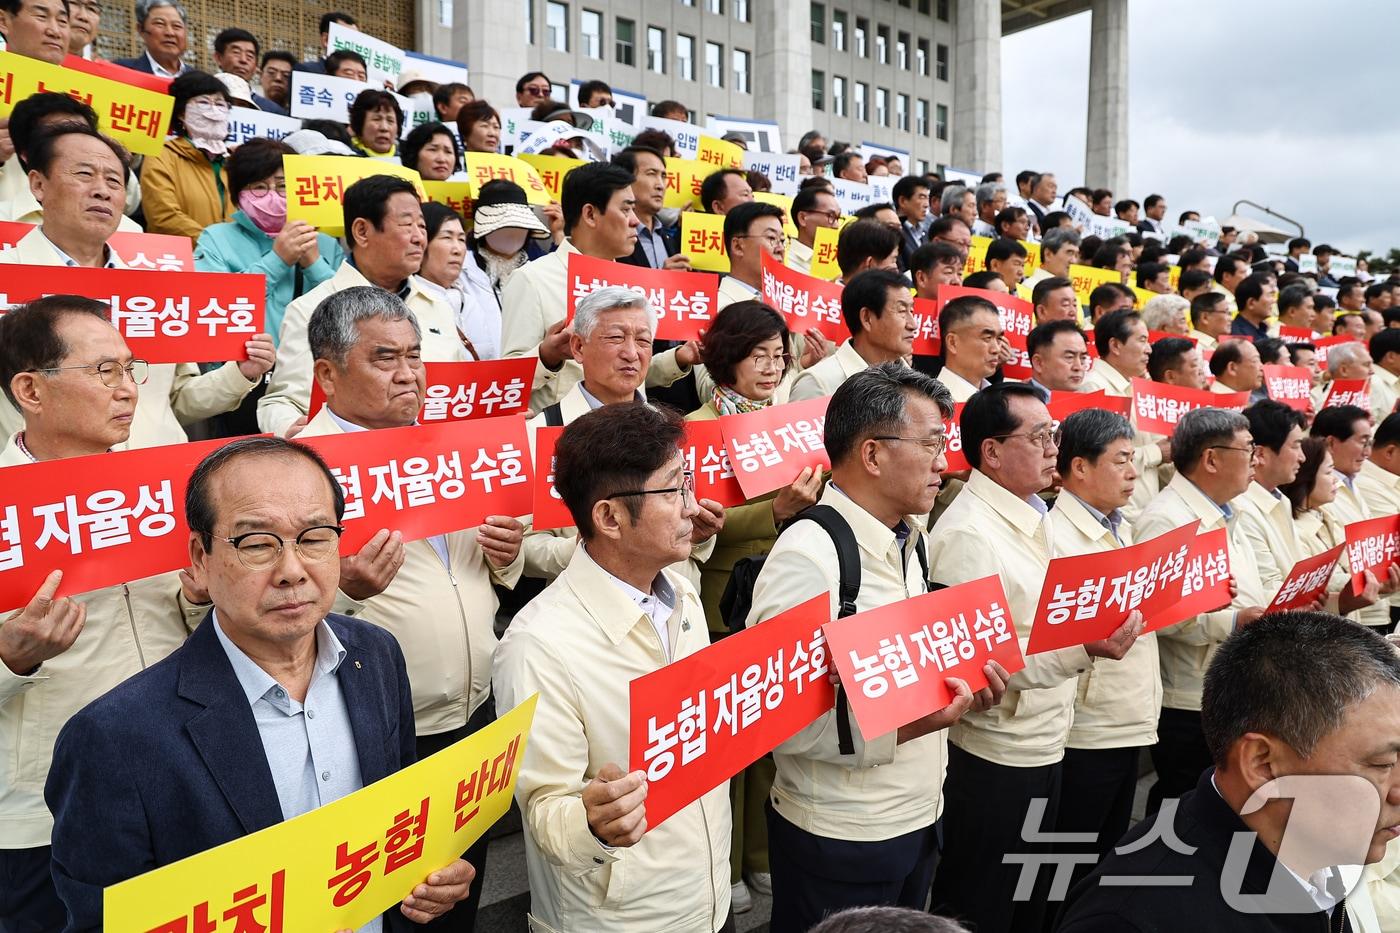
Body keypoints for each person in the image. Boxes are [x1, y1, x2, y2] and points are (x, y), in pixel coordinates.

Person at [44, 435, 478, 931]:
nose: (292, 571)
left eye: (315, 537)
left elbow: (403, 819)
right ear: (200, 557)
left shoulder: (376, 656)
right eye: (256, 544)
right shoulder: (113, 739)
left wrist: (431, 875)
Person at [747, 363, 1007, 931]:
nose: (945, 462)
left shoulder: (911, 537)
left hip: (918, 815)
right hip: (843, 835)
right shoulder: (809, 557)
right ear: (872, 455)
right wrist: (918, 721)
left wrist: (964, 689)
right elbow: (778, 723)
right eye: (932, 444)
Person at [298, 287, 524, 932]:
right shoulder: (296, 469)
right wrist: (343, 589)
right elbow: (252, 613)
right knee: (395, 904)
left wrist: (506, 553)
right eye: (386, 359)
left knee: (460, 890)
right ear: (327, 374)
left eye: (415, 357)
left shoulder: (449, 451)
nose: (408, 375)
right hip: (378, 729)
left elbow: (487, 572)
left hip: (475, 714)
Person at [0, 296, 206, 932]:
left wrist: (200, 600)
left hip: (181, 773)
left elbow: (183, 617)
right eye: (104, 372)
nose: (128, 391)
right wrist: (11, 658)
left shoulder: (162, 487)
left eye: (131, 369)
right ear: (30, 389)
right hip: (45, 807)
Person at [493, 402, 732, 932]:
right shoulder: (538, 645)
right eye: (673, 491)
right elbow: (543, 811)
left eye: (687, 483)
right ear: (608, 517)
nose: (693, 506)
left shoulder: (684, 597)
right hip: (619, 918)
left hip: (707, 896)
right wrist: (594, 823)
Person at [927, 383, 1140, 933]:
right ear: (991, 451)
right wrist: (1084, 648)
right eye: (1040, 436)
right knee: (986, 902)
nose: (1053, 448)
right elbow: (982, 662)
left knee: (1033, 896)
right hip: (996, 751)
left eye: (1055, 435)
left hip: (1051, 735)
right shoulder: (967, 534)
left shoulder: (1037, 511)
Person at [1059, 612, 1397, 932]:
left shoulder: (1315, 850)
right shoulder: (1136, 919)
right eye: (1381, 765)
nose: (1396, 789)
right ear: (1262, 764)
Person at [0, 124, 272, 447]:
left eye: (114, 181)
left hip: (149, 484)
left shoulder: (155, 293)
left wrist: (240, 373)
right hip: (45, 487)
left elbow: (178, 402)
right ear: (38, 184)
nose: (102, 191)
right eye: (84, 175)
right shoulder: (9, 278)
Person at [686, 300, 820, 912]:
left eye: (777, 355)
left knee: (773, 728)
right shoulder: (698, 427)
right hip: (722, 595)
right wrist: (775, 511)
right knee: (730, 742)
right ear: (726, 358)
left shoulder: (793, 422)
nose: (769, 368)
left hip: (786, 587)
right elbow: (700, 525)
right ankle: (734, 860)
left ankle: (764, 854)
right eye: (756, 355)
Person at [519, 286, 723, 584]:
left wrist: (700, 536)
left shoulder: (672, 430)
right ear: (578, 347)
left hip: (679, 601)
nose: (631, 353)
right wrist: (581, 546)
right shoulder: (540, 433)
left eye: (643, 340)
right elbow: (522, 547)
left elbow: (689, 521)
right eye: (615, 338)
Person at [1048, 409, 1161, 893]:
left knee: (1104, 858)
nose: (1134, 472)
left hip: (1127, 714)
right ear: (1079, 467)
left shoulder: (1124, 526)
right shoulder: (1056, 537)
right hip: (1088, 726)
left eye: (1133, 459)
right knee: (1070, 866)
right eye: (1120, 461)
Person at [258, 174, 467, 437]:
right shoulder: (311, 309)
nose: (418, 238)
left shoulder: (438, 305)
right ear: (362, 231)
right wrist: (289, 428)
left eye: (422, 227)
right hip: (352, 464)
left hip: (432, 461)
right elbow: (281, 402)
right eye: (406, 225)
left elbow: (460, 393)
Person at [1135, 407, 1267, 815]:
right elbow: (1155, 614)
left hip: (1228, 681)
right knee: (1184, 802)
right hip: (1190, 696)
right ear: (1211, 459)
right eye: (1249, 449)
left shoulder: (1229, 512)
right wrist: (1233, 621)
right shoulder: (1167, 520)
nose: (1256, 459)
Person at [500, 161, 696, 413]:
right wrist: (547, 356)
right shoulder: (533, 279)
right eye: (626, 210)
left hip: (632, 434)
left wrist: (679, 357)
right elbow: (506, 383)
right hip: (566, 440)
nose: (636, 221)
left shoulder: (634, 284)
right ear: (590, 214)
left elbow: (628, 372)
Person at [194, 137, 345, 346]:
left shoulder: (326, 244)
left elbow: (350, 312)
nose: (273, 195)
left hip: (311, 370)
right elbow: (209, 306)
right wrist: (277, 260)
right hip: (242, 369)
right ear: (238, 197)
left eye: (283, 186)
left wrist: (315, 264)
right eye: (259, 187)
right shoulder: (215, 238)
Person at [0, 92, 143, 227]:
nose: (102, 192)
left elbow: (130, 200)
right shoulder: (5, 220)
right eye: (59, 136)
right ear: (37, 183)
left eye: (83, 134)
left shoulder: (130, 230)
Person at [454, 179, 552, 363]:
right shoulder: (458, 268)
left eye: (519, 225)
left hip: (532, 376)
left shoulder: (540, 271)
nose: (512, 233)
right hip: (475, 377)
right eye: (503, 225)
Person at [790, 270, 913, 401]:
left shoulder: (915, 384)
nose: (913, 324)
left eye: (912, 310)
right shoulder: (818, 384)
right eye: (902, 311)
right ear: (867, 318)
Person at [140, 71, 236, 239]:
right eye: (204, 103)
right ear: (181, 113)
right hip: (186, 259)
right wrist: (216, 247)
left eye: (220, 104)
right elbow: (163, 217)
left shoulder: (235, 162)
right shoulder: (162, 155)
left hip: (235, 262)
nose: (214, 111)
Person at [613, 145, 687, 271]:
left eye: (663, 176)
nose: (660, 185)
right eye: (651, 174)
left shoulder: (669, 239)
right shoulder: (612, 237)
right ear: (626, 179)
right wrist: (661, 280)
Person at [936, 293, 1003, 402]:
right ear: (952, 342)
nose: (996, 349)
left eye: (999, 339)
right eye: (987, 337)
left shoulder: (1001, 400)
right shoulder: (931, 404)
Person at [212, 28, 283, 112]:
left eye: (249, 56)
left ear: (256, 66)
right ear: (218, 58)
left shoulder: (272, 111)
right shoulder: (201, 97)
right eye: (236, 52)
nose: (243, 60)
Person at [113, 0, 188, 76]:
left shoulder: (198, 79)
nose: (170, 33)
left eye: (177, 26)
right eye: (159, 23)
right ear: (141, 30)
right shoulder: (120, 71)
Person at [786, 184, 842, 274]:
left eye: (838, 218)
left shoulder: (839, 265)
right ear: (803, 218)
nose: (836, 225)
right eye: (831, 216)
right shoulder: (783, 259)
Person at [1027, 319, 1089, 395]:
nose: (1078, 367)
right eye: (1069, 357)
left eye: (1083, 358)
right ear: (1039, 363)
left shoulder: (1090, 402)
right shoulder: (1016, 403)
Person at [0, 0, 69, 65]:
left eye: (62, 21)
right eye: (42, 16)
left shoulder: (77, 77)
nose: (55, 31)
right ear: (3, 21)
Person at [349, 89, 402, 161]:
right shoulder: (344, 158)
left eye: (390, 121)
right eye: (377, 119)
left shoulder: (407, 163)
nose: (384, 128)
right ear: (359, 125)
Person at [892, 175, 929, 270]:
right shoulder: (893, 232)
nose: (926, 204)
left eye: (927, 198)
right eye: (921, 197)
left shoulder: (925, 234)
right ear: (903, 201)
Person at [1231, 273, 1277, 341]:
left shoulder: (1263, 329)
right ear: (1251, 303)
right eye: (1269, 295)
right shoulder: (1238, 338)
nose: (1274, 300)